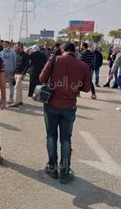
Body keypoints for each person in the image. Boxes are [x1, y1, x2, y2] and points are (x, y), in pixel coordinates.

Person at [39, 42, 91, 184]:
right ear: (74, 51)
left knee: (51, 136)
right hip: (69, 106)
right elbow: (86, 88)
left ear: (63, 50)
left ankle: (52, 167)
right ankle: (65, 171)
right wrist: (74, 86)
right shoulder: (83, 66)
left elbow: (41, 79)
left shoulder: (55, 59)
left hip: (51, 104)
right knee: (66, 139)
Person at [0, 40, 17, 105]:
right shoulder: (1, 53)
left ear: (8, 45)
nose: (4, 45)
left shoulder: (13, 52)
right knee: (1, 85)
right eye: (3, 44)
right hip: (2, 72)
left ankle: (11, 99)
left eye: (5, 44)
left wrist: (14, 72)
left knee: (11, 86)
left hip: (10, 72)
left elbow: (15, 62)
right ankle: (1, 99)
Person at [11, 43, 29, 108]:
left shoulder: (26, 55)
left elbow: (27, 65)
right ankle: (20, 101)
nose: (16, 48)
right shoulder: (17, 54)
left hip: (20, 74)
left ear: (20, 47)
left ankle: (16, 102)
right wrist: (13, 74)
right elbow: (16, 64)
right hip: (16, 73)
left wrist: (24, 74)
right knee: (19, 88)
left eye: (17, 47)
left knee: (16, 87)